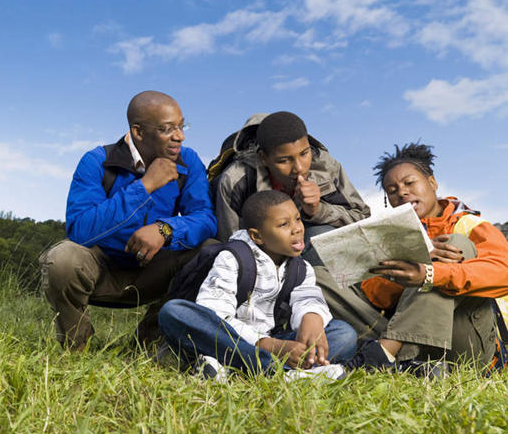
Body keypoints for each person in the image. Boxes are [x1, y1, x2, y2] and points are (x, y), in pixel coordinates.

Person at [40, 91, 216, 350]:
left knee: (212, 250)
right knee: (62, 259)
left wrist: (165, 229)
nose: (180, 136)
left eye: (181, 126)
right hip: (103, 269)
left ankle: (147, 342)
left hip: (155, 269)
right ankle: (76, 346)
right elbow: (80, 230)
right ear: (139, 132)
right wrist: (144, 186)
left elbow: (205, 218)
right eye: (167, 129)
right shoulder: (97, 161)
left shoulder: (188, 160)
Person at [320, 143, 508, 372]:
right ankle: (408, 365)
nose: (402, 192)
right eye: (392, 190)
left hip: (468, 342)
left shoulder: (469, 224)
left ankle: (387, 353)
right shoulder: (391, 236)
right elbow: (375, 298)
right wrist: (404, 270)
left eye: (410, 183)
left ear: (432, 183)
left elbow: (503, 273)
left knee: (453, 246)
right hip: (408, 333)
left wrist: (430, 273)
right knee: (319, 276)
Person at [158, 190, 357, 380]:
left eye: (297, 219)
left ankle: (229, 367)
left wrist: (312, 317)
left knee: (344, 334)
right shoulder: (232, 258)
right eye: (283, 225)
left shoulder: (301, 267)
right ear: (257, 236)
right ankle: (278, 372)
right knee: (174, 312)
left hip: (273, 340)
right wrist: (269, 346)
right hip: (227, 338)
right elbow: (216, 314)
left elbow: (308, 298)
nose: (297, 229)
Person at [211, 112, 369, 263]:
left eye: (304, 153)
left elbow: (361, 219)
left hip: (309, 247)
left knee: (322, 236)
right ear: (263, 158)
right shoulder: (235, 181)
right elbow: (233, 247)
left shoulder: (326, 165)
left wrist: (317, 210)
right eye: (284, 160)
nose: (299, 168)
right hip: (261, 258)